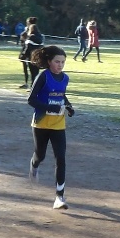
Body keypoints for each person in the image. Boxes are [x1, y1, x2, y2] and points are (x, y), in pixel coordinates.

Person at [25, 45, 75, 210]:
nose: (60, 65)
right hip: (41, 123)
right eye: (57, 61)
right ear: (49, 61)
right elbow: (31, 100)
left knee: (61, 158)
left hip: (58, 124)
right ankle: (34, 164)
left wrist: (68, 106)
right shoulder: (43, 77)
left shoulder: (65, 78)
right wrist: (49, 108)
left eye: (63, 62)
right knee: (40, 155)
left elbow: (61, 95)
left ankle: (59, 197)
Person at [17, 17, 42, 87]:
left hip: (30, 57)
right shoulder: (40, 36)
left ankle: (32, 85)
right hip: (38, 57)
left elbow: (27, 47)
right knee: (36, 73)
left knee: (32, 72)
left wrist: (23, 55)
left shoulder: (30, 37)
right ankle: (34, 85)